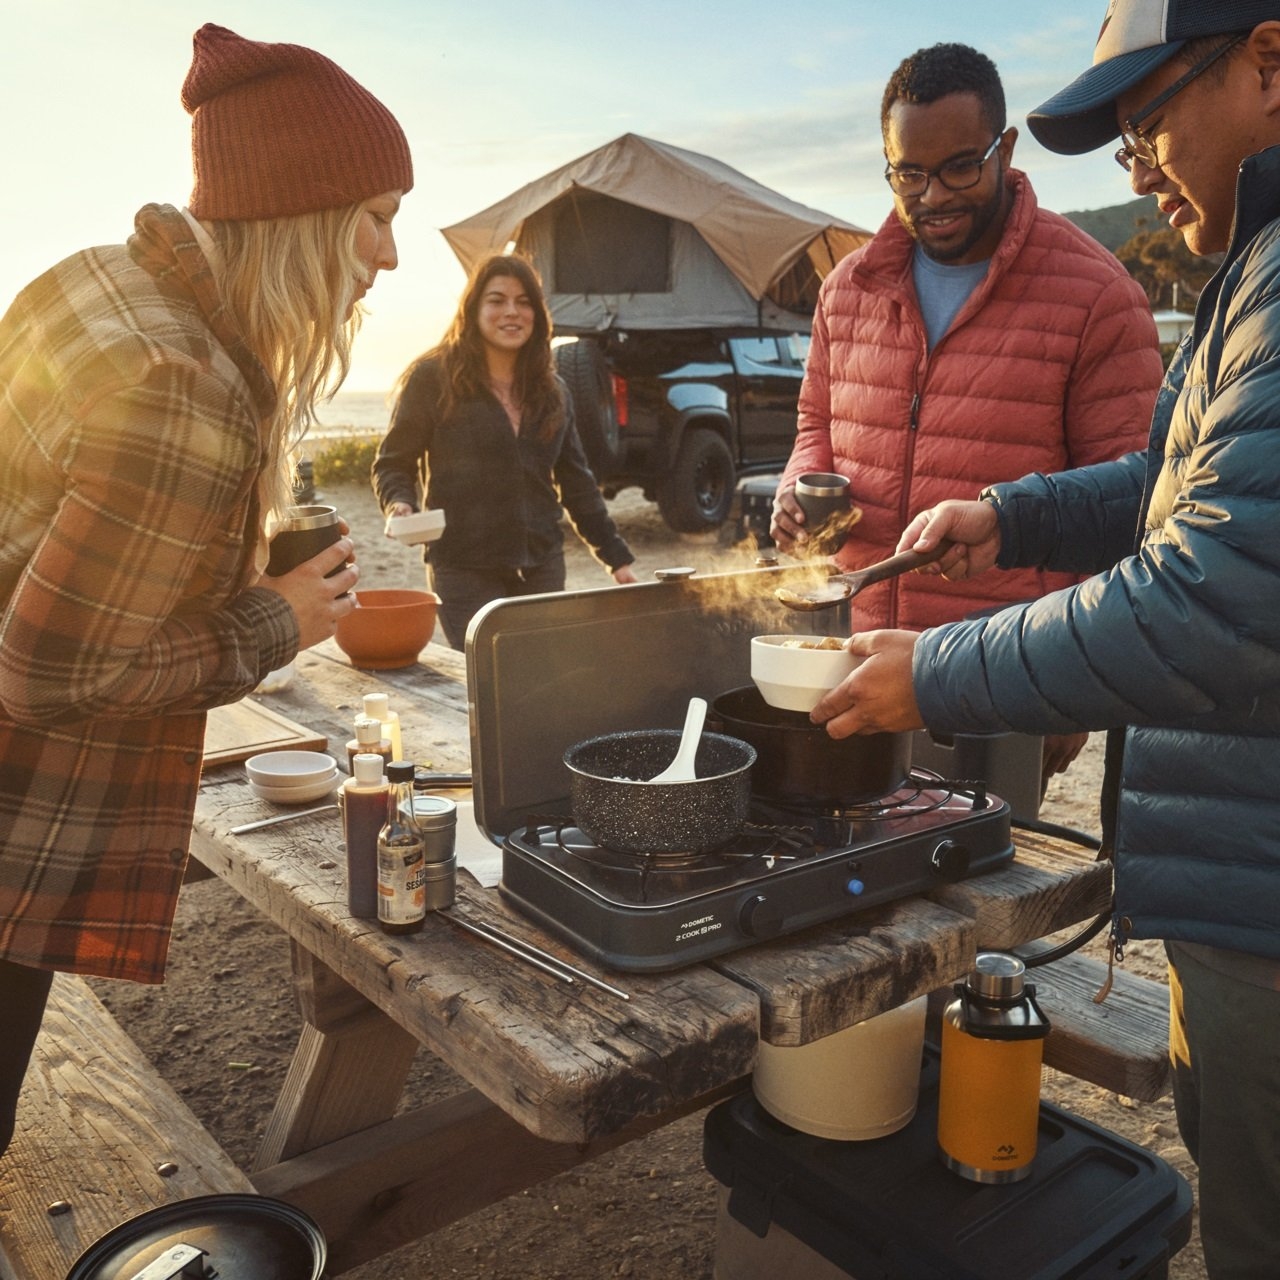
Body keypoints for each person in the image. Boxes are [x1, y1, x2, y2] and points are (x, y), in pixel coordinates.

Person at [812, 5, 1280, 1275]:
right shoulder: (1254, 263)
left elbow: (1215, 596)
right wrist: (1012, 512)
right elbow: (1177, 490)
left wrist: (940, 665)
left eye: (1146, 124)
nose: (1138, 165)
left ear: (1267, 63)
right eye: (1119, 141)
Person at [0, 24, 412, 1158]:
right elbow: (46, 673)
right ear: (303, 212)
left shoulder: (94, 280)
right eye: (373, 216)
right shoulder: (182, 386)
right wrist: (275, 617)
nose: (387, 257)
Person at [770, 42, 1164, 789]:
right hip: (852, 671)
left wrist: (1066, 688)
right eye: (908, 174)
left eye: (958, 166)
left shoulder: (1096, 294)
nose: (933, 195)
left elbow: (1132, 500)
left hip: (998, 684)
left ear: (1004, 148)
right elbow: (814, 423)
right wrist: (800, 484)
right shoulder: (848, 288)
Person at [372, 254, 638, 649]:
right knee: (487, 682)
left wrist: (617, 558)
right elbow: (393, 462)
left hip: (543, 563)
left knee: (543, 674)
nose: (511, 312)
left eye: (524, 301)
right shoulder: (433, 378)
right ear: (473, 309)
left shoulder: (554, 391)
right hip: (464, 566)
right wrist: (400, 504)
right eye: (496, 300)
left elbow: (576, 483)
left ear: (538, 313)